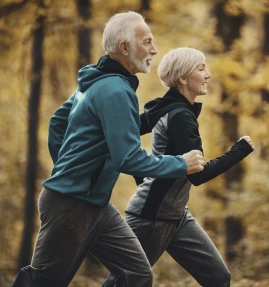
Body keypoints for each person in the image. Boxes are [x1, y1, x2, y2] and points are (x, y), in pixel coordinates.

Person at [11, 13, 205, 287]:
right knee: (44, 281)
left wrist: (71, 168)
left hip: (97, 205)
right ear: (124, 48)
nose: (154, 50)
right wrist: (180, 163)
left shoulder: (95, 84)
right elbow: (128, 158)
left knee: (136, 274)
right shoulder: (115, 91)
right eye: (147, 42)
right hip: (71, 206)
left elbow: (58, 122)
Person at [103, 47, 255, 287]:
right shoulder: (179, 115)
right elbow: (198, 175)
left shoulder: (168, 109)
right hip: (150, 218)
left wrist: (145, 179)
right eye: (201, 68)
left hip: (177, 215)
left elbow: (129, 141)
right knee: (125, 282)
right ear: (183, 78)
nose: (208, 75)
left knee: (218, 278)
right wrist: (239, 151)